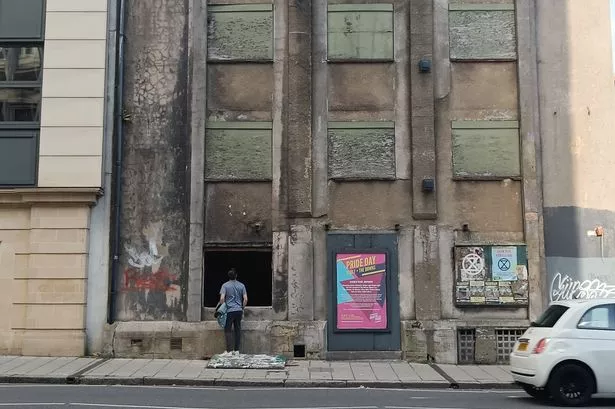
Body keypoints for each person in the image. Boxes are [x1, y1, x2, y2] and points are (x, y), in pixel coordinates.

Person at [217, 268, 247, 353]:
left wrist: (223, 306)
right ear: (236, 275)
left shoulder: (225, 285)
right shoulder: (242, 285)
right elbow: (245, 299)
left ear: (229, 276)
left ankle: (229, 351)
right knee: (237, 330)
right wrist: (242, 307)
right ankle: (237, 350)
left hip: (229, 311)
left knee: (228, 330)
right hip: (239, 311)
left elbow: (222, 298)